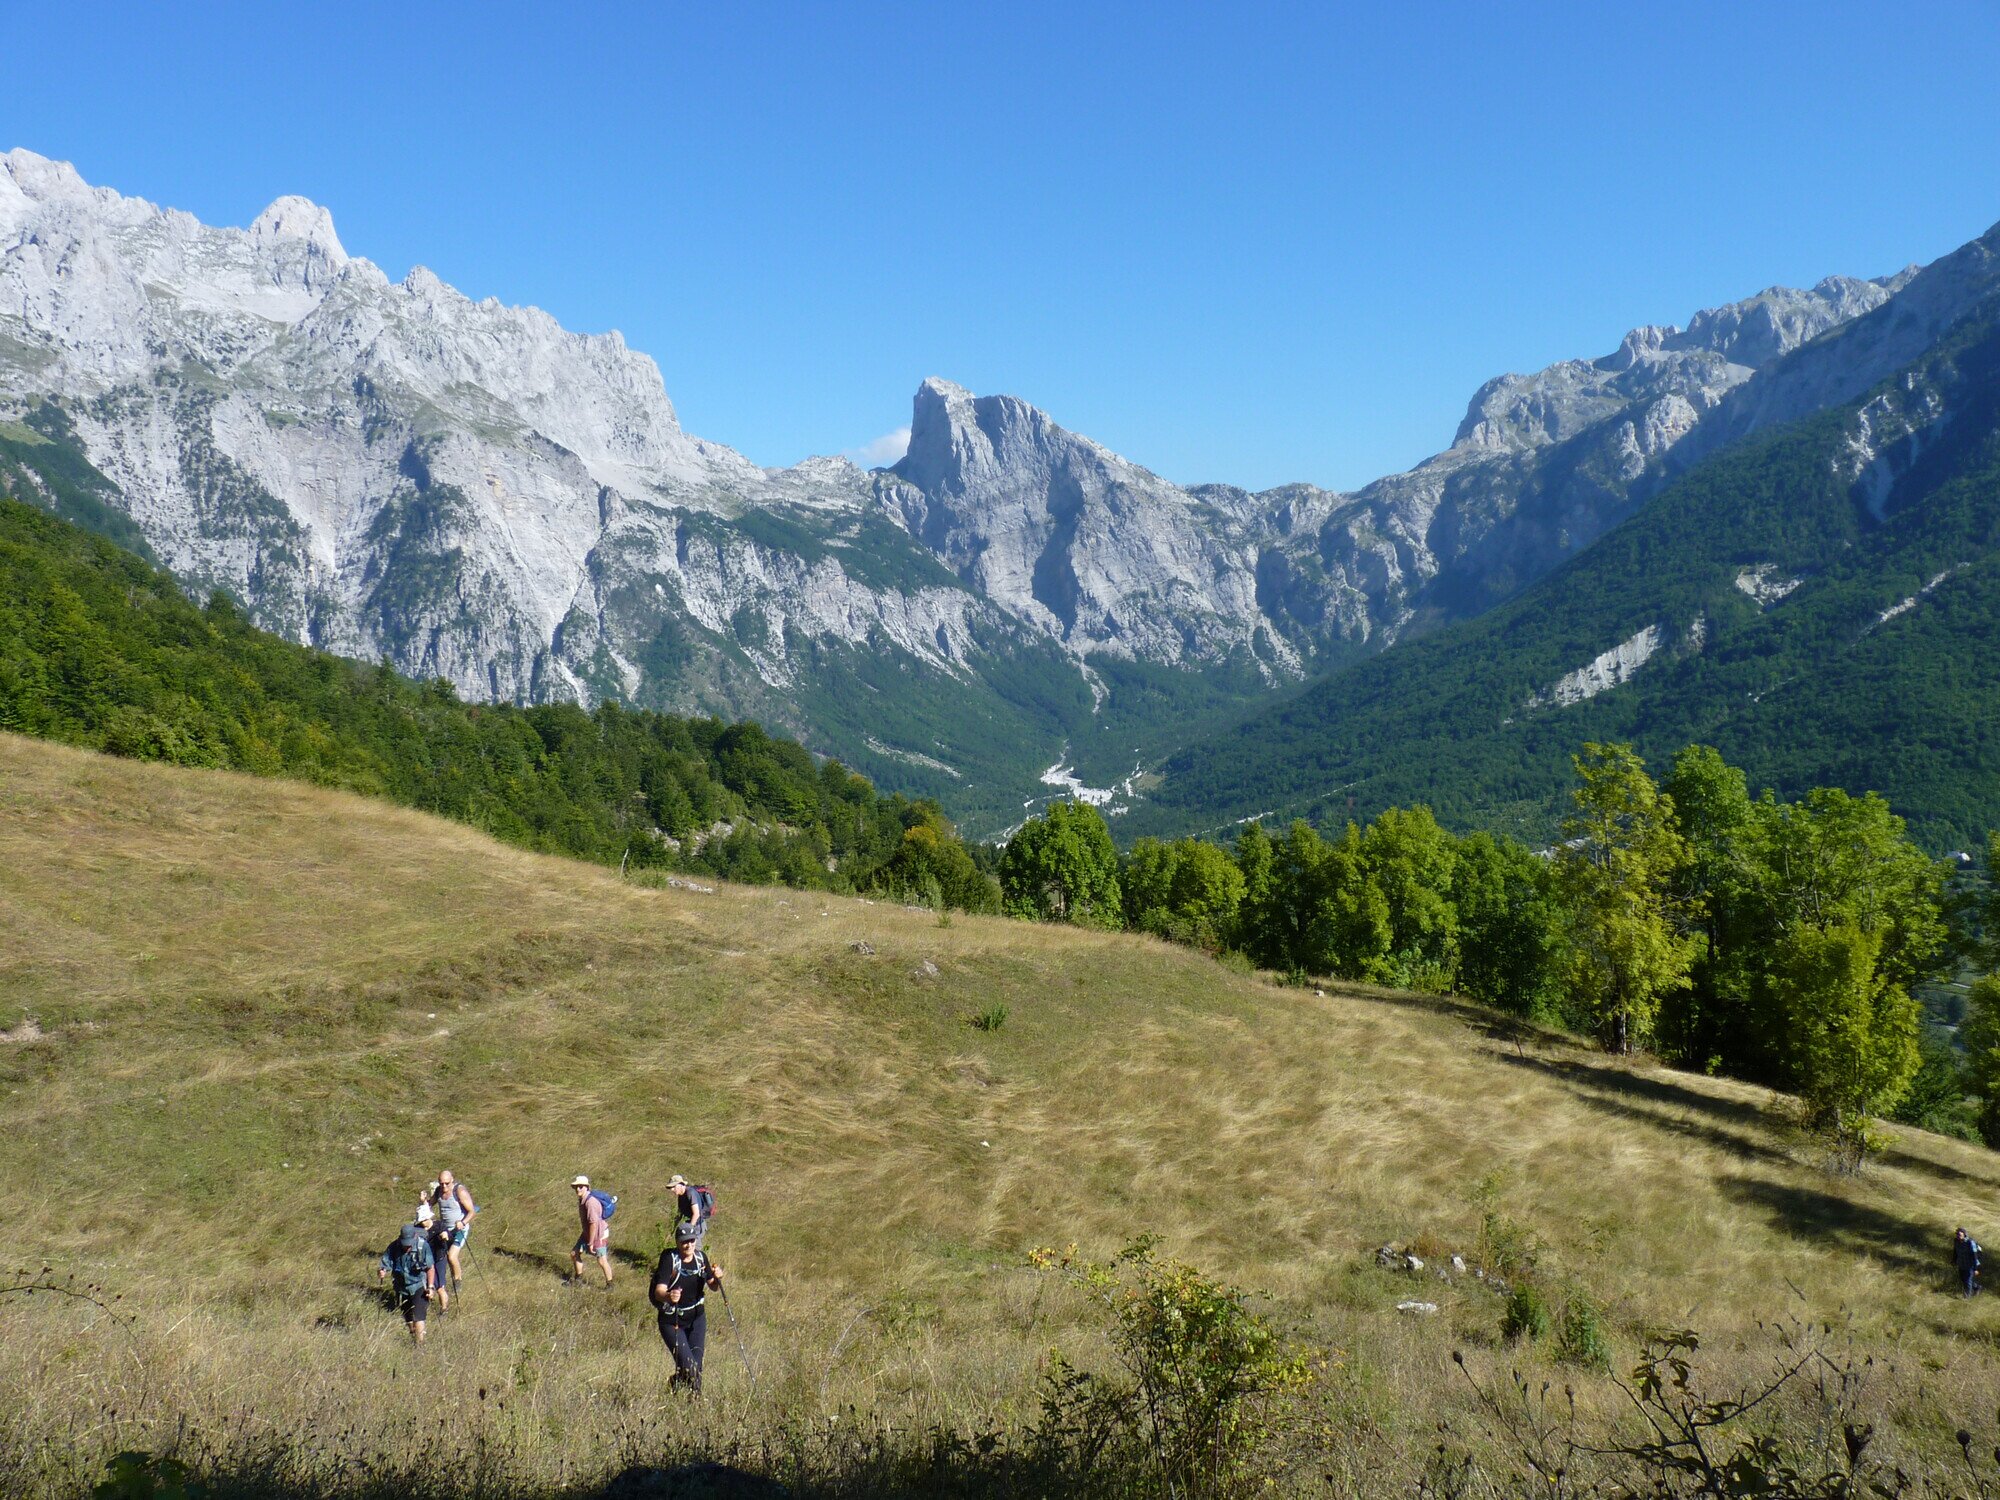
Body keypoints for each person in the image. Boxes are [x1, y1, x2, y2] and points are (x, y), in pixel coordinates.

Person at [650, 1222, 725, 1393]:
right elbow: (658, 1291)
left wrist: (718, 1277)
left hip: (697, 1318)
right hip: (672, 1320)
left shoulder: (700, 1258)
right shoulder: (669, 1259)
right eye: (684, 1241)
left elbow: (713, 1286)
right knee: (690, 1367)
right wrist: (669, 1296)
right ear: (677, 1242)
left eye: (692, 1240)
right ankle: (682, 1392)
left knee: (696, 1368)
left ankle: (688, 1398)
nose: (688, 1244)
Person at [378, 1222, 435, 1344]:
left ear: (414, 1238)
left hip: (419, 1285)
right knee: (408, 1319)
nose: (407, 1247)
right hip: (401, 1287)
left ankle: (420, 1346)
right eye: (405, 1244)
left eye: (409, 1244)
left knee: (418, 1318)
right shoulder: (394, 1246)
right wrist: (382, 1271)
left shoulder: (422, 1246)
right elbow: (386, 1263)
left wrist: (430, 1287)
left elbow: (430, 1268)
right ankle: (413, 1337)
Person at [431, 1169, 477, 1293]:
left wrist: (462, 1222)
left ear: (452, 1180)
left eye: (446, 1183)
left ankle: (457, 1281)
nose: (444, 1186)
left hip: (459, 1230)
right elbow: (430, 1204)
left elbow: (472, 1212)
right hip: (445, 1231)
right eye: (441, 1183)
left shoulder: (459, 1191)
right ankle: (448, 1280)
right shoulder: (438, 1191)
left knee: (452, 1256)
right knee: (444, 1256)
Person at [571, 1175, 613, 1287]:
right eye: (576, 1187)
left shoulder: (590, 1202)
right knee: (574, 1253)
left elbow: (593, 1223)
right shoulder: (582, 1199)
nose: (578, 1189)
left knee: (601, 1260)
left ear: (587, 1187)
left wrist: (590, 1243)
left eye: (580, 1186)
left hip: (598, 1234)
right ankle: (578, 1280)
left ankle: (610, 1285)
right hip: (588, 1232)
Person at [418, 1202, 451, 1317]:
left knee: (440, 1287)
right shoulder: (418, 1229)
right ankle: (424, 1306)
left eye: (424, 1220)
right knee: (426, 1284)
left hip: (439, 1258)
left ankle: (444, 1309)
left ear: (429, 1217)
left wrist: (445, 1235)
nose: (422, 1223)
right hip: (426, 1260)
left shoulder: (439, 1225)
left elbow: (448, 1236)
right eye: (421, 1221)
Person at [666, 1175, 709, 1246]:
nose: (672, 1190)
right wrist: (672, 1230)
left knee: (694, 1248)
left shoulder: (690, 1193)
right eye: (671, 1187)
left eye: (674, 1187)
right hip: (690, 1224)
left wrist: (689, 1230)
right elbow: (679, 1214)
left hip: (698, 1226)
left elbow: (696, 1214)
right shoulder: (681, 1196)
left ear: (681, 1185)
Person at [1954, 1226, 1983, 1297]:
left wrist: (1976, 1268)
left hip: (1971, 1265)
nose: (1958, 1236)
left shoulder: (1970, 1242)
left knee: (1968, 1280)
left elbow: (1974, 1256)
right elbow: (1955, 1251)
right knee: (1963, 1279)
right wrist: (1954, 1260)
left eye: (1960, 1235)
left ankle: (1967, 1296)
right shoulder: (1956, 1241)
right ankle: (1977, 1287)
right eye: (1957, 1234)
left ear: (1964, 1234)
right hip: (1961, 1264)